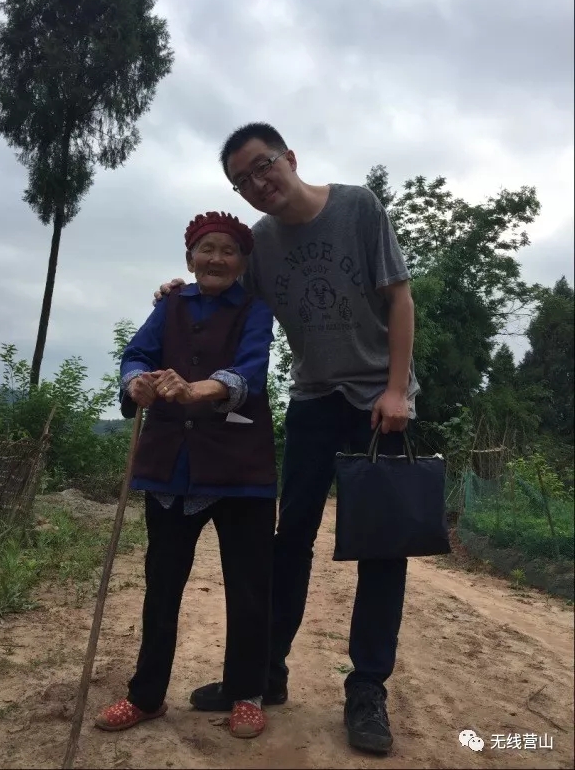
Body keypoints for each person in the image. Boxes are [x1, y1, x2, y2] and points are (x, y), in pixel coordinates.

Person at [155, 123, 419, 755]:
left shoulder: (357, 207)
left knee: (382, 547)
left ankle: (366, 689)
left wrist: (396, 389)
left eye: (262, 165)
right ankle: (262, 675)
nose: (257, 182)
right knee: (290, 538)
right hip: (312, 402)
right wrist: (178, 294)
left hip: (377, 403)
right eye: (241, 180)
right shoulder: (261, 246)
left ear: (289, 157)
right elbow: (222, 294)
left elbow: (400, 298)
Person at [94, 211, 278, 740]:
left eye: (228, 251)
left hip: (241, 470)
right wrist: (137, 382)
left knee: (248, 586)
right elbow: (137, 354)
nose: (216, 258)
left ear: (241, 263)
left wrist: (199, 388)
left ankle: (246, 693)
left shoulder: (254, 309)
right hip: (170, 467)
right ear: (190, 258)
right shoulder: (169, 305)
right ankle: (146, 696)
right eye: (206, 249)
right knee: (162, 585)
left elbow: (251, 370)